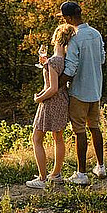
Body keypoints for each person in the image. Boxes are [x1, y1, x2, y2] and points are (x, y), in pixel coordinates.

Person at [58, 1, 106, 184]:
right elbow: (101, 58)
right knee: (95, 127)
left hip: (79, 91)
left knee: (79, 131)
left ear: (69, 18)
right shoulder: (96, 33)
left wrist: (57, 87)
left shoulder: (75, 38)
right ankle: (100, 167)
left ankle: (81, 173)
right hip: (95, 89)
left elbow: (70, 69)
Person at [25, 23, 76, 189]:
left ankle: (42, 178)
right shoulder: (64, 61)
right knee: (58, 138)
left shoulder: (53, 61)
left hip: (51, 103)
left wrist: (38, 99)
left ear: (56, 39)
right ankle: (56, 175)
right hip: (62, 101)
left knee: (37, 138)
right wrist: (45, 64)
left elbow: (52, 88)